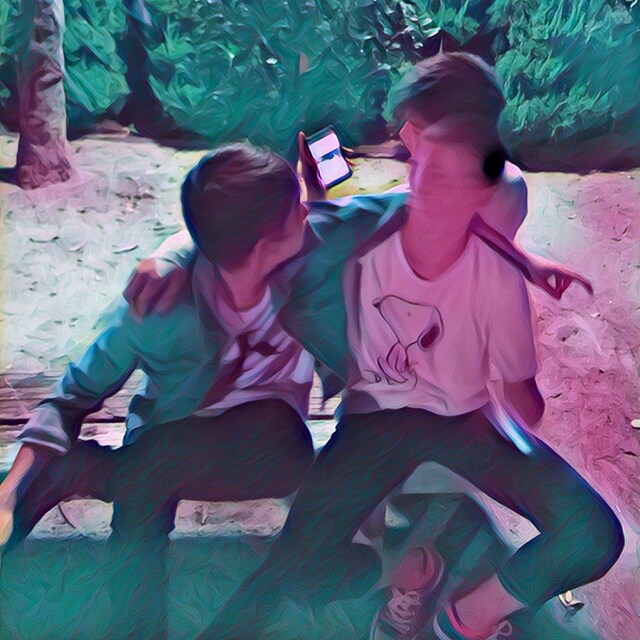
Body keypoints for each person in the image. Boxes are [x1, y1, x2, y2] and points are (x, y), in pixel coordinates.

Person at [127, 52, 619, 640]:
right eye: (416, 147)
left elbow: (479, 233)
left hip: (461, 416)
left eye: (420, 133)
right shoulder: (384, 217)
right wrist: (171, 256)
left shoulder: (492, 200)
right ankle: (400, 574)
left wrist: (519, 275)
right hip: (377, 416)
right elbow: (258, 228)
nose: (407, 147)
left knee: (591, 533)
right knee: (294, 567)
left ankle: (466, 615)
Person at [0, 143, 324, 640]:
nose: (309, 214)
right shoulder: (156, 309)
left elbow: (375, 213)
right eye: (296, 210)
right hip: (167, 446)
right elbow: (70, 398)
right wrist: (8, 494)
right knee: (147, 485)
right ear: (264, 244)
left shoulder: (306, 264)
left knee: (246, 439)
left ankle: (87, 471)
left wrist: (175, 249)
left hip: (267, 449)